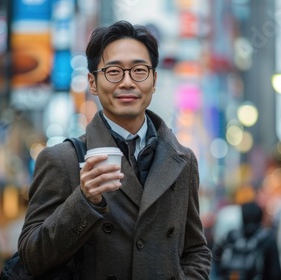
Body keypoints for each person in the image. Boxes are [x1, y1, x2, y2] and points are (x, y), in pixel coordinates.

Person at [17, 20, 212, 279]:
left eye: (139, 70)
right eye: (113, 72)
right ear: (93, 82)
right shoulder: (60, 160)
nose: (128, 82)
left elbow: (195, 249)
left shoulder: (183, 161)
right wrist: (84, 201)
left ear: (154, 79)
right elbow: (32, 257)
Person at [212, 201, 281, 280]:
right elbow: (275, 273)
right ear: (260, 217)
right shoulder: (267, 238)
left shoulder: (231, 236)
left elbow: (215, 256)